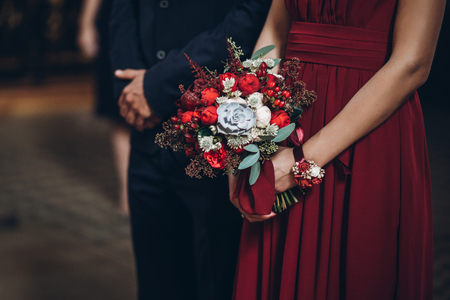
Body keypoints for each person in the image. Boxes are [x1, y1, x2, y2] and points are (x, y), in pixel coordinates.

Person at [229, 0, 445, 299]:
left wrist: (301, 161)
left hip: (368, 128)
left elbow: (412, 64)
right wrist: (241, 139)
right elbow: (275, 32)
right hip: (287, 117)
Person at [108, 1, 271, 299]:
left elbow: (251, 13)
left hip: (215, 128)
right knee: (156, 283)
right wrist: (127, 85)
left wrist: (157, 85)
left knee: (218, 281)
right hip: (146, 135)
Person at [77, 0, 130, 215]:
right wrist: (86, 24)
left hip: (158, 21)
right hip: (118, 19)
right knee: (118, 109)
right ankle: (127, 193)